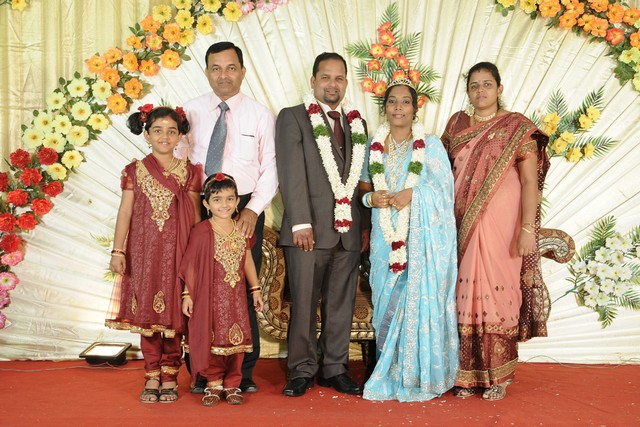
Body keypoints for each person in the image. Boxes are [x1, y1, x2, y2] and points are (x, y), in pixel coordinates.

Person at [441, 62, 550, 401]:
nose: (481, 91)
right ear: (468, 90)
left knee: (499, 295)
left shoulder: (517, 127)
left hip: (504, 225)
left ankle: (498, 376)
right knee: (462, 294)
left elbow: (530, 181)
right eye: (474, 85)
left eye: (487, 84)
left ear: (499, 89)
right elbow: (439, 172)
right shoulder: (456, 125)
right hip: (461, 223)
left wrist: (528, 228)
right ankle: (465, 375)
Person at [177, 41, 277, 393]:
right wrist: (190, 209)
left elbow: (270, 167)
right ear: (206, 72)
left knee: (242, 288)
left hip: (244, 207)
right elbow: (179, 159)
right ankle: (200, 372)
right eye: (216, 68)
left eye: (231, 68)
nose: (224, 75)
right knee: (198, 287)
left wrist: (251, 209)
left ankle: (243, 373)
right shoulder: (189, 111)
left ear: (243, 71)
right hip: (198, 207)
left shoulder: (260, 114)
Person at [358, 80, 459, 401]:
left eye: (405, 102)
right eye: (392, 101)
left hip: (420, 239)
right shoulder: (373, 145)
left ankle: (415, 373)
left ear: (415, 108)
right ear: (385, 107)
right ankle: (389, 370)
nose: (398, 107)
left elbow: (444, 193)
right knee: (386, 298)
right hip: (383, 237)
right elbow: (363, 190)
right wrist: (371, 199)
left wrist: (413, 193)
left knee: (415, 298)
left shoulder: (430, 145)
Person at [275, 52, 369, 397]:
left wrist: (364, 227)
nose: (333, 84)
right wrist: (300, 222)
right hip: (308, 230)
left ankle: (334, 369)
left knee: (340, 305)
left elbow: (361, 179)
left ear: (346, 83)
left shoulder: (357, 123)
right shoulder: (293, 117)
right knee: (303, 303)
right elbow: (290, 173)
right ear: (313, 80)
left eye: (339, 78)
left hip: (348, 232)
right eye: (326, 77)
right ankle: (301, 370)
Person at [106, 105, 202, 404]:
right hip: (144, 254)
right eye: (158, 130)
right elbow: (125, 212)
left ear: (180, 136)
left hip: (177, 255)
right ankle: (151, 373)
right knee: (146, 315)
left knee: (174, 315)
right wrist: (118, 250)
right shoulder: (134, 170)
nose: (164, 136)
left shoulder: (189, 172)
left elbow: (196, 219)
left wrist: (196, 258)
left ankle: (170, 373)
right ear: (146, 134)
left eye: (171, 131)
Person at [179, 173, 264, 406]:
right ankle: (214, 383)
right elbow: (191, 266)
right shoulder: (201, 231)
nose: (224, 204)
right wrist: (187, 295)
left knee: (237, 342)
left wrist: (255, 289)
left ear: (237, 202)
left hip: (236, 300)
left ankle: (233, 384)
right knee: (212, 341)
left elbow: (247, 260)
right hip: (210, 299)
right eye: (217, 200)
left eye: (229, 199)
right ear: (206, 204)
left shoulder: (241, 230)